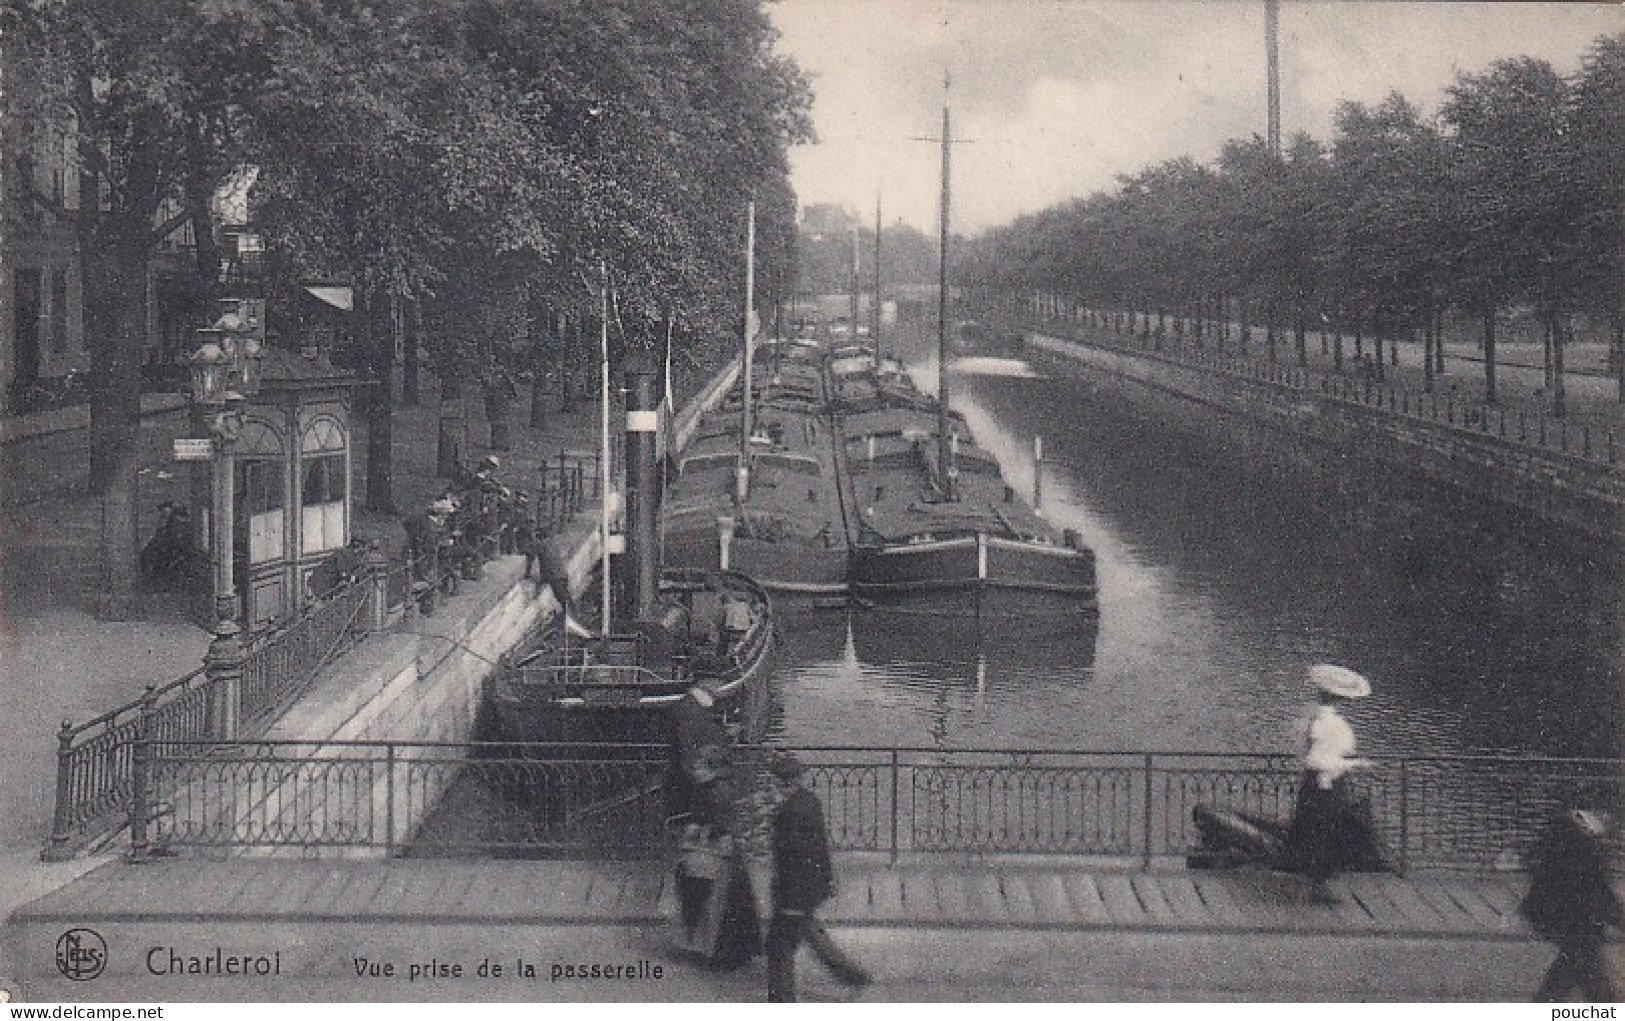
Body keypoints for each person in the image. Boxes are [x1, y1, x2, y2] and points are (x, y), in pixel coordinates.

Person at [766, 753, 870, 1002]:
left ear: (781, 783)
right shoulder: (809, 801)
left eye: (772, 781)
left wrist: (790, 902)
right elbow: (819, 848)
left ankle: (782, 1001)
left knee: (780, 946)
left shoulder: (790, 813)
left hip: (794, 892)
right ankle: (854, 977)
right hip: (811, 886)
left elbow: (794, 858)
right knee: (810, 933)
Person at [1286, 664, 1373, 904]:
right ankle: (1317, 886)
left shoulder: (1314, 718)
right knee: (1326, 833)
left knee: (1315, 832)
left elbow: (1309, 754)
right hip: (1326, 785)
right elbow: (1320, 760)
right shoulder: (1332, 724)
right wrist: (1355, 765)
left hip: (1314, 783)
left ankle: (1314, 883)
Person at [1522, 806, 1622, 1002]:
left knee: (1573, 972)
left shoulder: (1572, 839)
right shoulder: (1587, 848)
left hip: (1565, 918)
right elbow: (1597, 893)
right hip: (1577, 922)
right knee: (1582, 972)